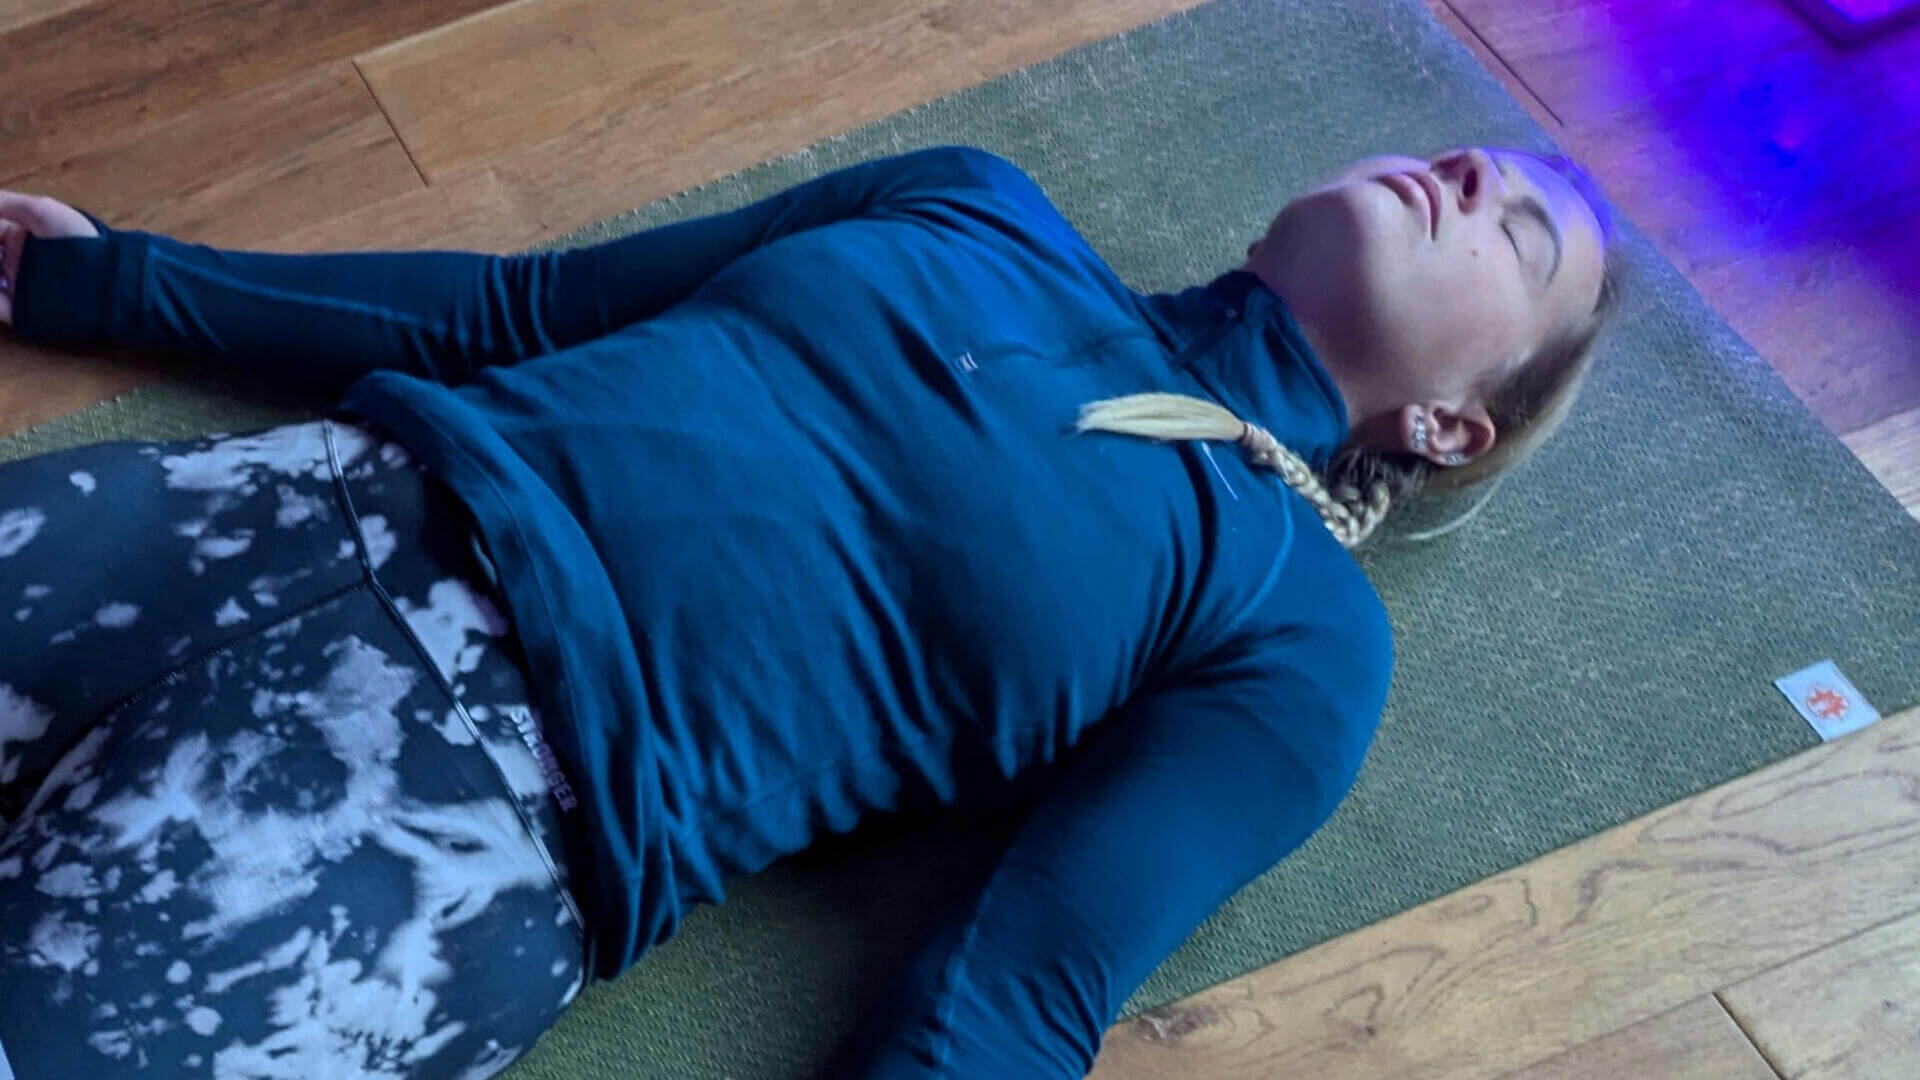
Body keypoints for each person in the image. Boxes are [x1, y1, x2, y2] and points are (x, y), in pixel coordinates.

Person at [0, 143, 1620, 1079]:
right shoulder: (975, 205)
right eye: (1469, 158)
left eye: (1519, 229)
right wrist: (121, 279)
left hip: (468, 814)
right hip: (292, 509)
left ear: (1451, 425)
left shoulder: (1297, 625)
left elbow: (1022, 984)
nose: (1471, 168)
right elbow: (526, 307)